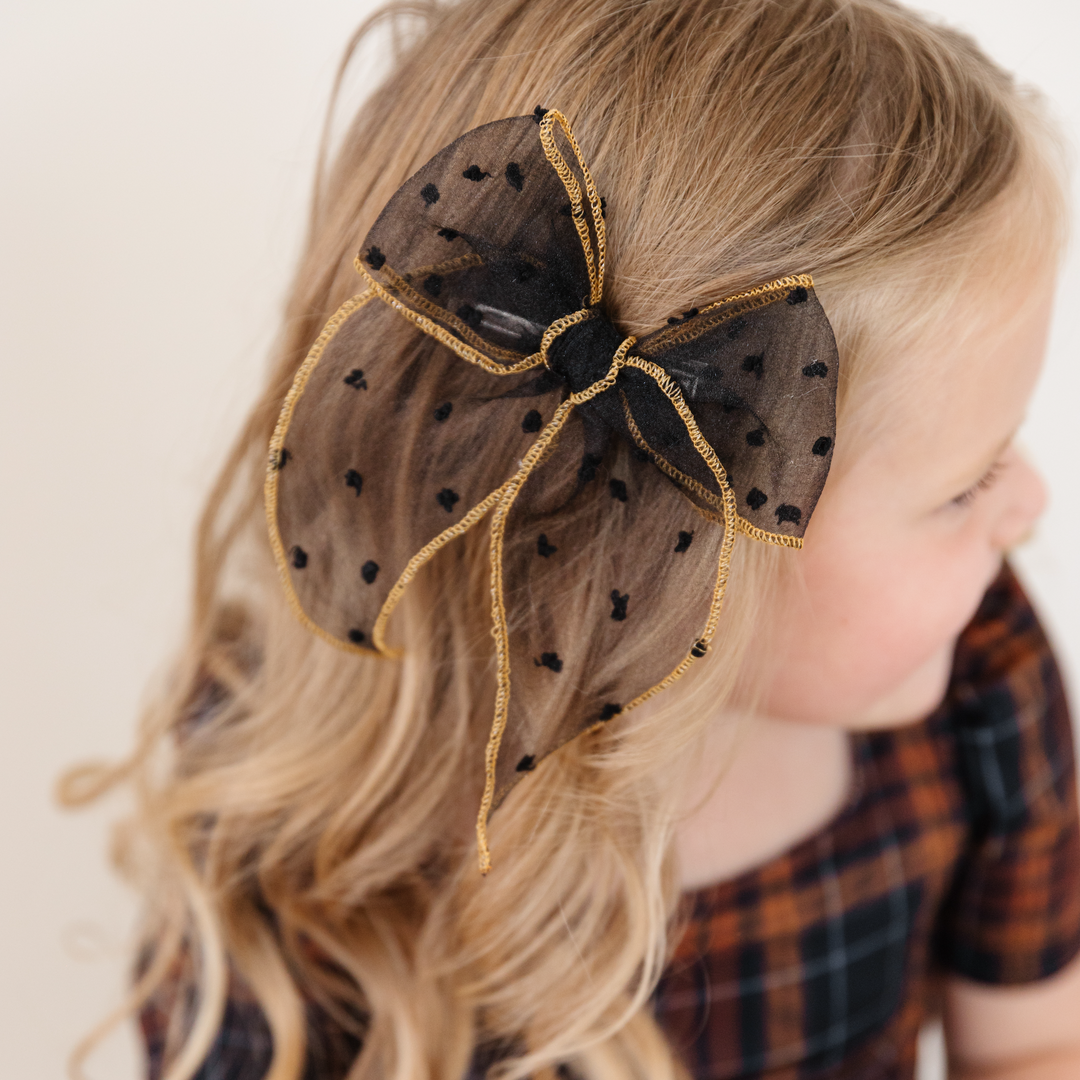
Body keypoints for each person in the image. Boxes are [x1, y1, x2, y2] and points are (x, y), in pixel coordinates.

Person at [63, 0, 1080, 1077]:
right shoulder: (309, 847)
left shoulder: (980, 671)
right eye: (966, 485)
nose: (1030, 501)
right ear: (667, 560)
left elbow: (1040, 1040)